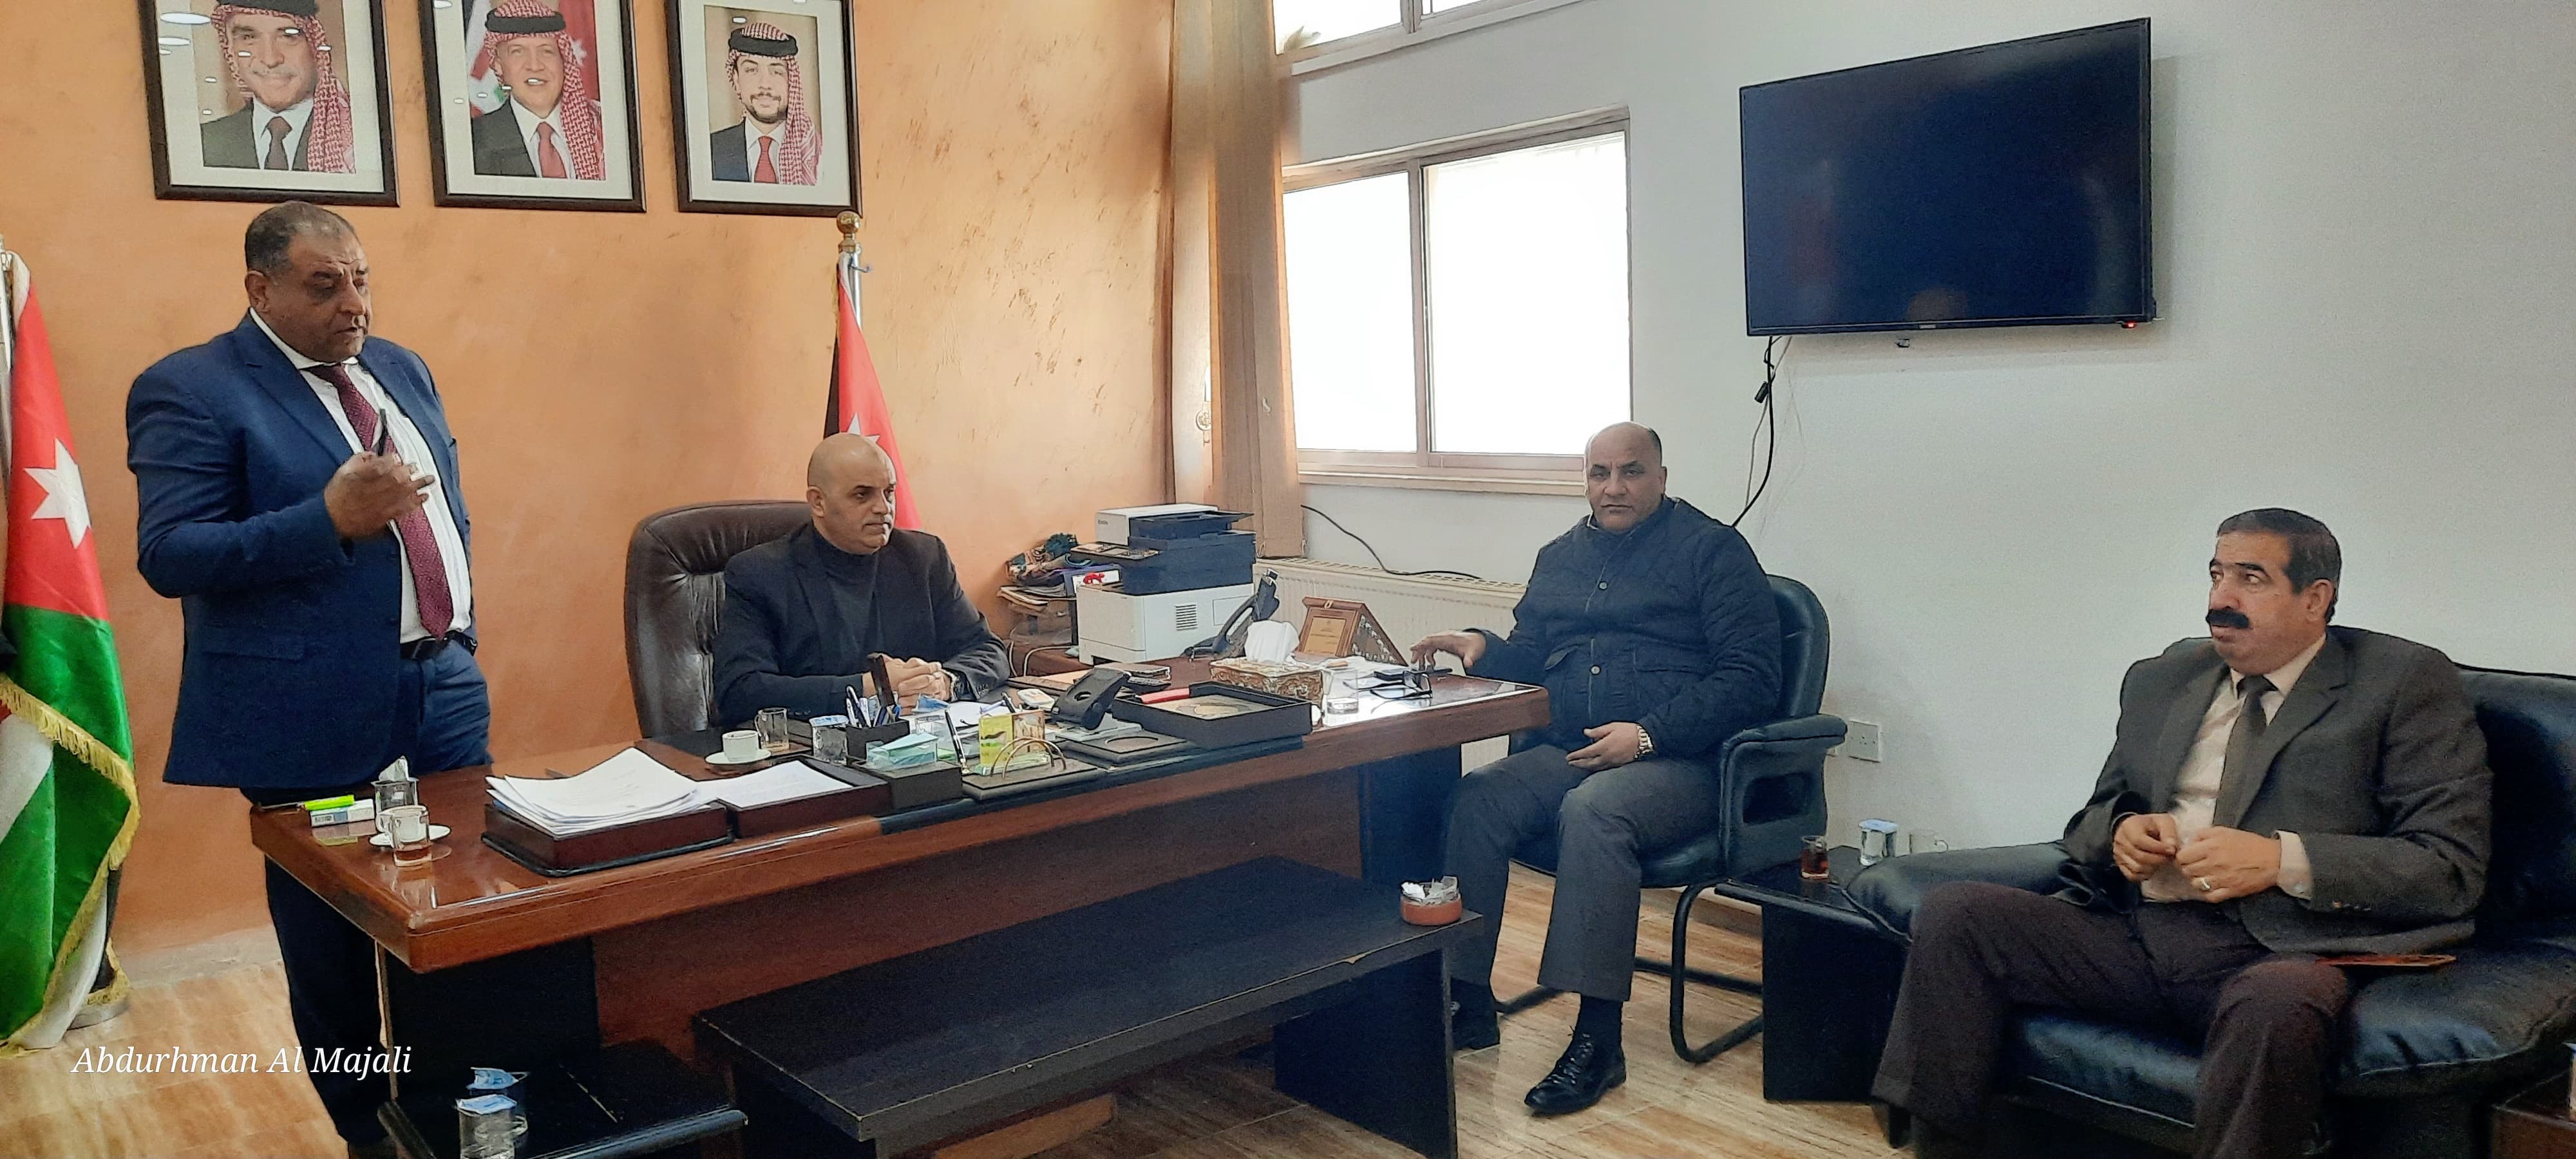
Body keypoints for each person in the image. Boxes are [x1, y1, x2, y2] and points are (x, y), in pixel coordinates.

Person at [1873, 509, 2491, 1159]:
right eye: (2217, 575)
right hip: (2142, 931)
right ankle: (1938, 1148)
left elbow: (2449, 866)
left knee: (2281, 999)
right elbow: (2092, 819)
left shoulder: (2400, 684)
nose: (2221, 600)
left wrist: (2279, 859)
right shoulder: (2162, 680)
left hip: (2282, 949)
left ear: (2315, 599)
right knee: (1959, 915)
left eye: (2250, 579)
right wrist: (2122, 833)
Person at [126, 203, 486, 1159]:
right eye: (324, 286)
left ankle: (453, 1111)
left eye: (361, 280)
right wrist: (325, 519)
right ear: (261, 288)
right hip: (308, 712)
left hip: (443, 692)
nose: (352, 303)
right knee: (334, 947)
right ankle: (366, 1131)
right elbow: (172, 553)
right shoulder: (193, 388)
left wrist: (459, 633)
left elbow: (443, 509)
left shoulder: (399, 368)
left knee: (454, 920)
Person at [1414, 422, 1783, 1116]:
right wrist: (1483, 645)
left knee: (1595, 810)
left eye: (1631, 472)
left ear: (1661, 478)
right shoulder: (1560, 556)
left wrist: (1647, 735)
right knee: (1478, 797)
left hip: (1682, 764)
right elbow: (1533, 653)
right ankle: (1466, 1001)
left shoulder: (1712, 551)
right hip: (1575, 751)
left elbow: (1752, 678)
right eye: (1599, 473)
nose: (1614, 487)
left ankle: (1597, 1038)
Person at [712, 433, 1008, 726]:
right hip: (816, 745)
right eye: (862, 495)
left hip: (922, 739)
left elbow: (988, 651)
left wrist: (945, 682)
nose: (883, 508)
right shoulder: (761, 573)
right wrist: (869, 687)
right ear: (818, 502)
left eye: (889, 492)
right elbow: (740, 691)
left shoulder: (923, 557)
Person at [200, 0, 357, 173]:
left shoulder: (355, 139)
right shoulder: (204, 143)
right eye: (249, 37)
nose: (270, 59)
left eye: (288, 37)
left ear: (314, 48)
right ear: (231, 50)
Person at [468, 1, 609, 180]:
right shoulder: (473, 142)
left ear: (563, 60)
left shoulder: (604, 130)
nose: (535, 66)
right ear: (498, 65)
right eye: (518, 52)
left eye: (546, 52)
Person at [707, 23, 818, 185]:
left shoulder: (816, 153)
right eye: (751, 71)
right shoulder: (709, 150)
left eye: (777, 72)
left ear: (792, 81)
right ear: (737, 81)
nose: (765, 84)